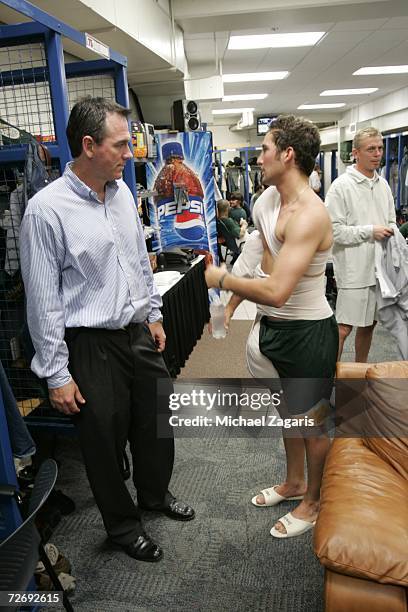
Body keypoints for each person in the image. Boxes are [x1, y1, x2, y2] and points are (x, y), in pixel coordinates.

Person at [19, 97, 194, 563]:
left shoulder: (119, 194)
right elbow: (43, 300)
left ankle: (154, 497)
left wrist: (153, 314)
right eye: (120, 145)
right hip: (90, 344)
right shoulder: (45, 211)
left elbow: (140, 262)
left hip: (136, 332)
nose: (130, 152)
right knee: (103, 440)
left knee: (156, 424)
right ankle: (121, 526)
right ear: (89, 145)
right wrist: (56, 374)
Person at [205, 114, 338, 539]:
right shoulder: (266, 202)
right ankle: (295, 482)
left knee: (312, 421)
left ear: (287, 154)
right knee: (288, 413)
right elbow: (254, 260)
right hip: (272, 330)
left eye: (264, 149)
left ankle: (313, 501)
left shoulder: (311, 215)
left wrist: (220, 279)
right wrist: (228, 306)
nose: (258, 156)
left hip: (308, 332)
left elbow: (279, 289)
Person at [325, 127, 396, 361]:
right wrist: (370, 232)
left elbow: (391, 223)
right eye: (371, 149)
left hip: (379, 270)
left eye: (380, 148)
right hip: (353, 270)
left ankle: (358, 377)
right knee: (344, 327)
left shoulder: (383, 185)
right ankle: (329, 381)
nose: (377, 154)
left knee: (369, 326)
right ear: (356, 153)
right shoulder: (341, 186)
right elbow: (334, 232)